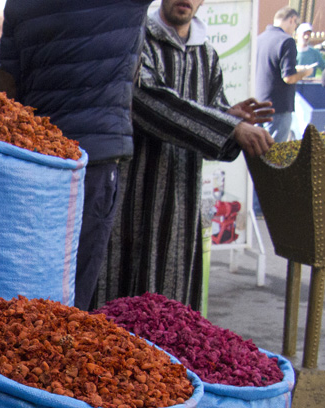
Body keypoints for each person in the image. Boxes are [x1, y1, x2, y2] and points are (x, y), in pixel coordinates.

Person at [99, 0, 274, 311]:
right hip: (131, 196)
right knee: (120, 301)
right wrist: (228, 126)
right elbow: (143, 100)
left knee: (171, 310)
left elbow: (210, 117)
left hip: (181, 201)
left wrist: (228, 116)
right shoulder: (138, 41)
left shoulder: (206, 55)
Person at [0, 0, 151, 310]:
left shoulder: (19, 4)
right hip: (95, 155)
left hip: (38, 157)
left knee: (31, 274)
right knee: (76, 281)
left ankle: (23, 347)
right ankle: (57, 346)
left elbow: (7, 83)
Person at [256, 7, 315, 141]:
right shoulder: (287, 41)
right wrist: (305, 72)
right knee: (275, 154)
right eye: (296, 24)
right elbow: (289, 77)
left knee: (257, 153)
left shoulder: (260, 39)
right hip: (278, 107)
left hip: (258, 104)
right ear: (291, 20)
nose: (295, 28)